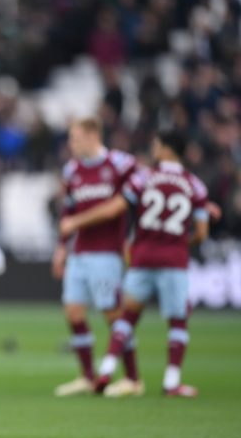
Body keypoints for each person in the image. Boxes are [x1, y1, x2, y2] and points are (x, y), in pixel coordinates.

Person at [60, 131, 210, 397]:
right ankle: (170, 382)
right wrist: (183, 241)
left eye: (155, 145)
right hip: (174, 258)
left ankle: (109, 371)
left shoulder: (142, 176)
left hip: (139, 255)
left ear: (165, 149)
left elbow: (118, 206)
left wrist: (74, 223)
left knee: (124, 316)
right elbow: (201, 232)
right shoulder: (195, 185)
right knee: (177, 321)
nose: (152, 149)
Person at [51, 118, 142, 397]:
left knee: (113, 315)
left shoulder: (120, 164)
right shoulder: (72, 169)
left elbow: (117, 208)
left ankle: (133, 379)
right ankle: (88, 377)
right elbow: (68, 211)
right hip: (79, 252)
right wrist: (62, 246)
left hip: (107, 253)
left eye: (75, 138)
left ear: (93, 135)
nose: (71, 143)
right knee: (73, 312)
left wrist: (76, 223)